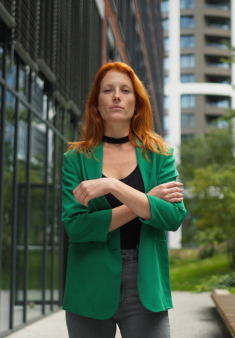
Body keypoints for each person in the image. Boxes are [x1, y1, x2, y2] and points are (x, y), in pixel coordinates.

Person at [61, 62, 187, 338]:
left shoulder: (159, 154)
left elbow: (173, 217)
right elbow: (76, 228)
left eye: (125, 90)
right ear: (96, 103)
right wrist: (146, 201)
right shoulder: (76, 159)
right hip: (89, 283)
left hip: (146, 284)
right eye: (108, 90)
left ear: (136, 103)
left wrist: (113, 186)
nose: (116, 96)